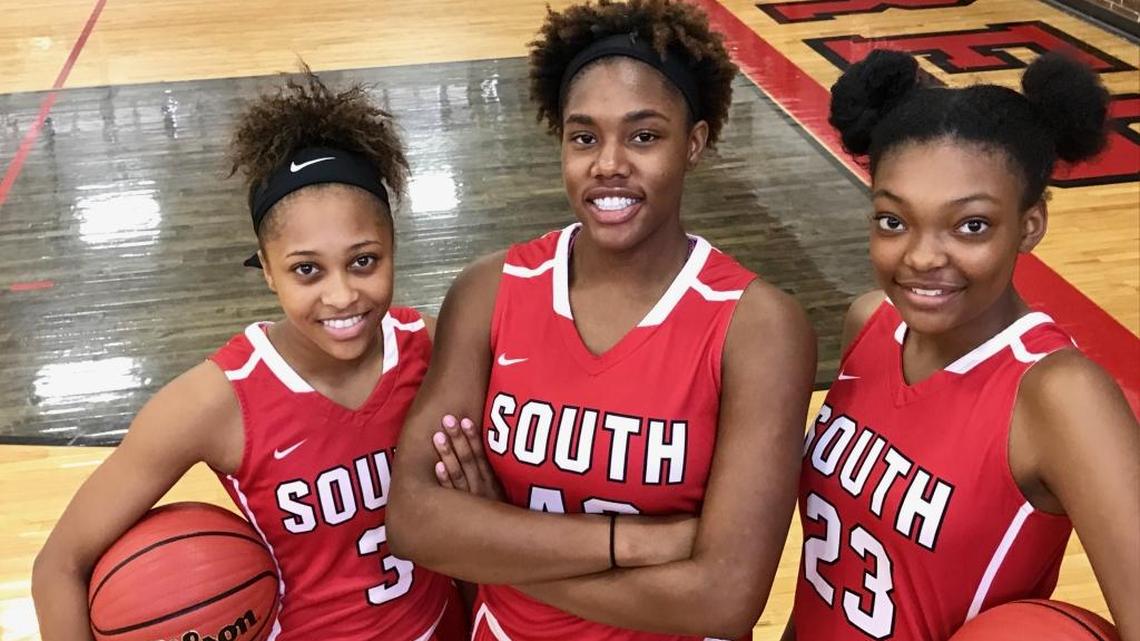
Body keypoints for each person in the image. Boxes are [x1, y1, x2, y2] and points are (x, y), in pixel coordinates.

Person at [385, 1, 817, 639]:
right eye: (584, 136)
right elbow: (415, 519)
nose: (608, 163)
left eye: (644, 136)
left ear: (694, 143)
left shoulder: (758, 327)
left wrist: (493, 544)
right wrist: (636, 543)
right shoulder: (491, 290)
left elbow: (722, 599)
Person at [32, 70, 466, 641]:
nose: (340, 295)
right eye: (306, 270)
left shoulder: (437, 348)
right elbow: (58, 567)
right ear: (265, 269)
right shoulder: (217, 400)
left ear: (392, 249)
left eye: (363, 261)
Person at [785, 49, 1140, 641]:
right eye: (893, 221)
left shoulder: (1060, 395)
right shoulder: (870, 322)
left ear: (1030, 225)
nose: (922, 257)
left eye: (970, 225)